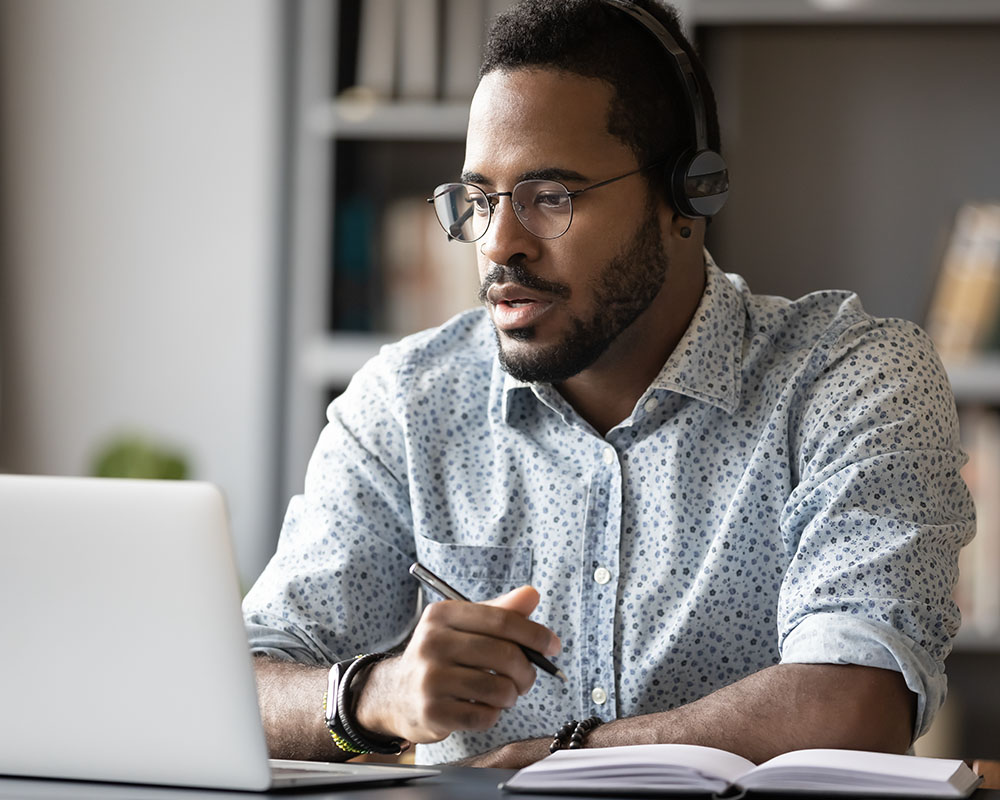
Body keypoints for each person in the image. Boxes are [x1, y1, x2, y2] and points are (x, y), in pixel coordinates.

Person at [243, 0, 974, 769]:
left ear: (687, 198)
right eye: (480, 200)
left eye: (550, 197)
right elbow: (241, 686)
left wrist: (566, 756)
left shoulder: (850, 381)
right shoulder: (406, 403)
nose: (499, 244)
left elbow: (854, 706)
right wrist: (373, 696)